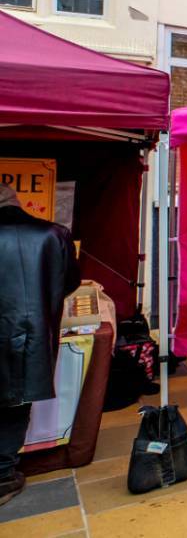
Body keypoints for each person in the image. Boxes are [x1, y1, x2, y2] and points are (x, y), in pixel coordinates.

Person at [0, 185, 80, 505]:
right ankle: (4, 473)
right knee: (16, 403)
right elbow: (69, 282)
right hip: (27, 336)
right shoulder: (54, 235)